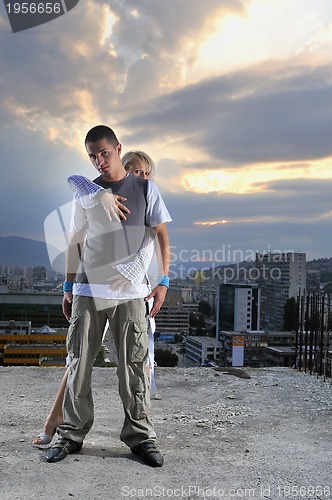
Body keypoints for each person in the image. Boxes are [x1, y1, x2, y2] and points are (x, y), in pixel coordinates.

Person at [44, 125, 171, 467]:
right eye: (92, 156)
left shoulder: (146, 189)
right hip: (88, 288)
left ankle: (141, 437)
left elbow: (161, 238)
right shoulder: (86, 193)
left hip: (130, 294)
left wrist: (163, 282)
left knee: (132, 364)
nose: (99, 161)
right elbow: (74, 241)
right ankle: (71, 434)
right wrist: (68, 286)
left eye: (104, 153)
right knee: (79, 362)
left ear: (118, 148)